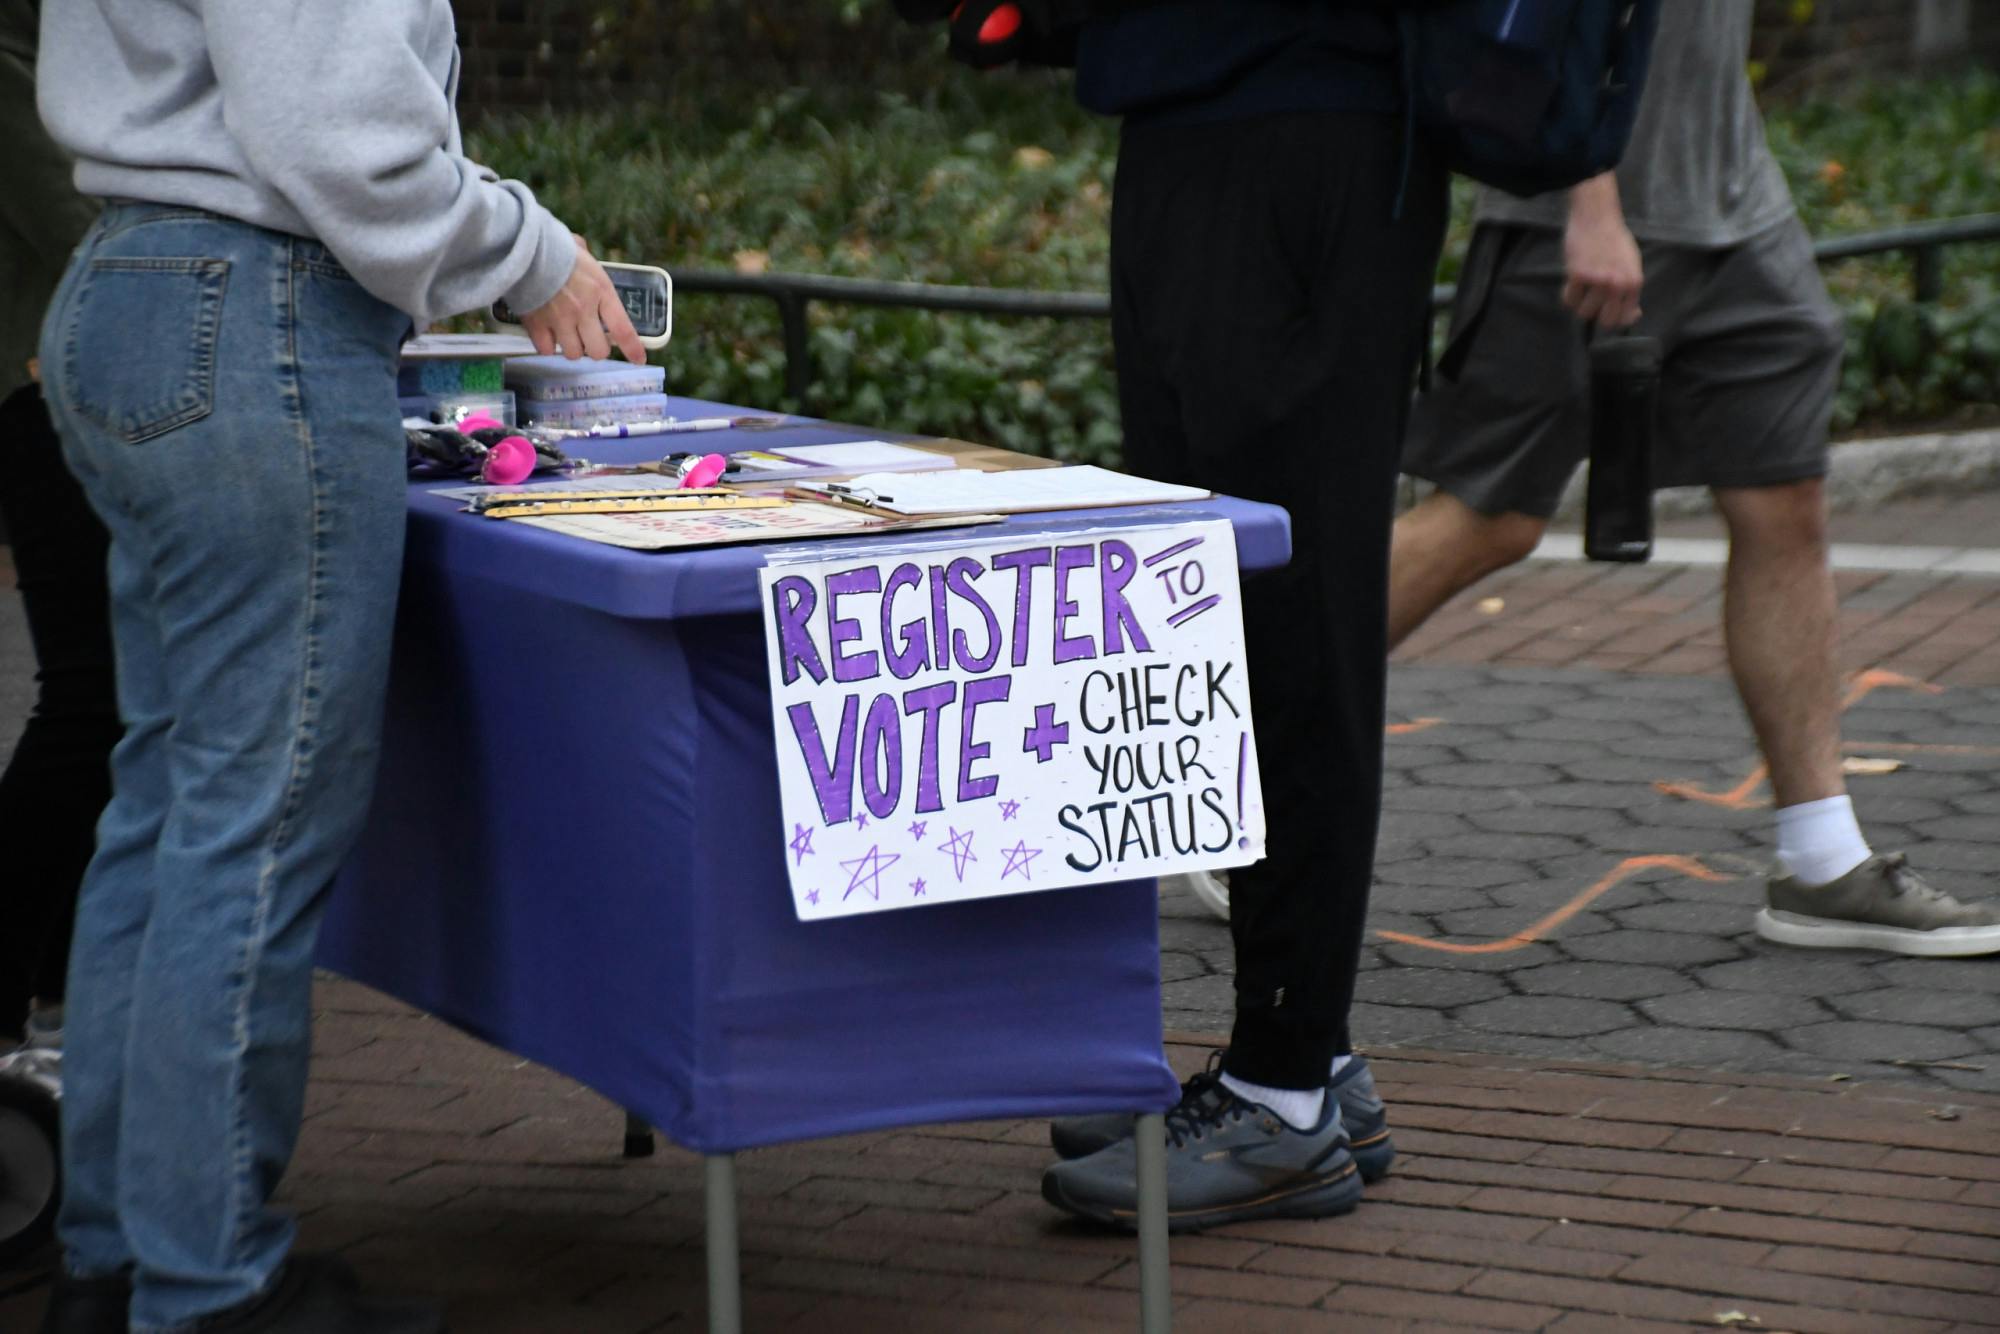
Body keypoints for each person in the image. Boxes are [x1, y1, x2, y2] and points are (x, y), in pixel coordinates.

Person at [33, 3, 646, 1330]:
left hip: (132, 285)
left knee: (168, 808)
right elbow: (336, 131)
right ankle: (208, 1281)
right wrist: (529, 254)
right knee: (245, 826)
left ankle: (125, 1256)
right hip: (252, 308)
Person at [895, 0, 1450, 1229]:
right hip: (1211, 128)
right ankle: (1304, 1048)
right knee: (1225, 619)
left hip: (1298, 133)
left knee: (1289, 620)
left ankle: (1284, 1095)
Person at [1390, 0, 2000, 957]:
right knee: (1486, 517)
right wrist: (1591, 204)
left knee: (1784, 496)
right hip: (1577, 209)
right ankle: (1226, 773)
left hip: (1736, 203)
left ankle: (1822, 860)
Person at [0, 0, 109, 1073]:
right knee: (93, 693)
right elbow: (81, 231)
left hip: (77, 386)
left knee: (107, 696)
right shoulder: (17, 48)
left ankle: (67, 981)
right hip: (44, 399)